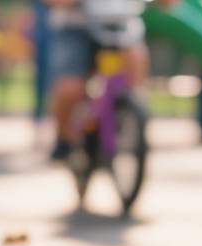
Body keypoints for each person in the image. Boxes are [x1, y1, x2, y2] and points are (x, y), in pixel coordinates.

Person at [42, 0, 162, 162]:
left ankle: (127, 114)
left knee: (136, 62)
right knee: (70, 88)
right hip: (77, 25)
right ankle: (64, 140)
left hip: (122, 24)